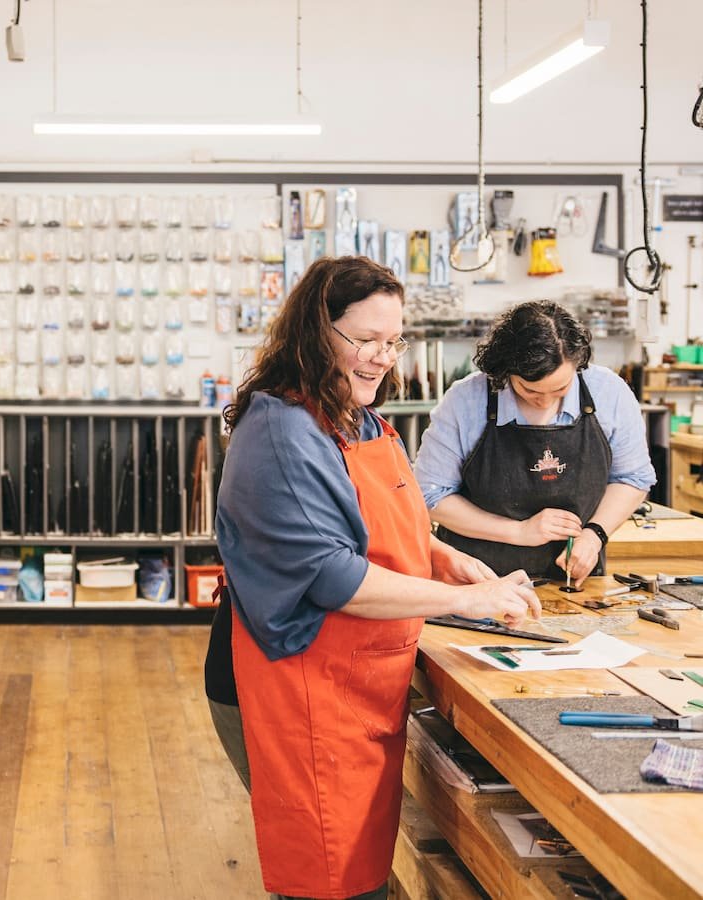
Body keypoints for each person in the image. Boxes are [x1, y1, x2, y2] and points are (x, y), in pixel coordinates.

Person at [204, 256, 541, 900]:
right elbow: (332, 575)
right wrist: (465, 598)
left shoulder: (361, 418)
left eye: (393, 341)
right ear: (316, 331)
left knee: (355, 873)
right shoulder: (281, 430)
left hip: (355, 683)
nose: (382, 358)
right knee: (325, 881)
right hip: (294, 683)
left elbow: (371, 522)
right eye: (364, 339)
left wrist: (438, 554)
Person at [413, 300, 655, 585]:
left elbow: (632, 478)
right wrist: (519, 531)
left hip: (573, 585)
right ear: (505, 371)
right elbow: (430, 496)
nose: (545, 401)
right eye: (530, 390)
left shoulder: (609, 393)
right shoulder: (466, 400)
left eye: (560, 389)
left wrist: (595, 535)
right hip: (476, 583)